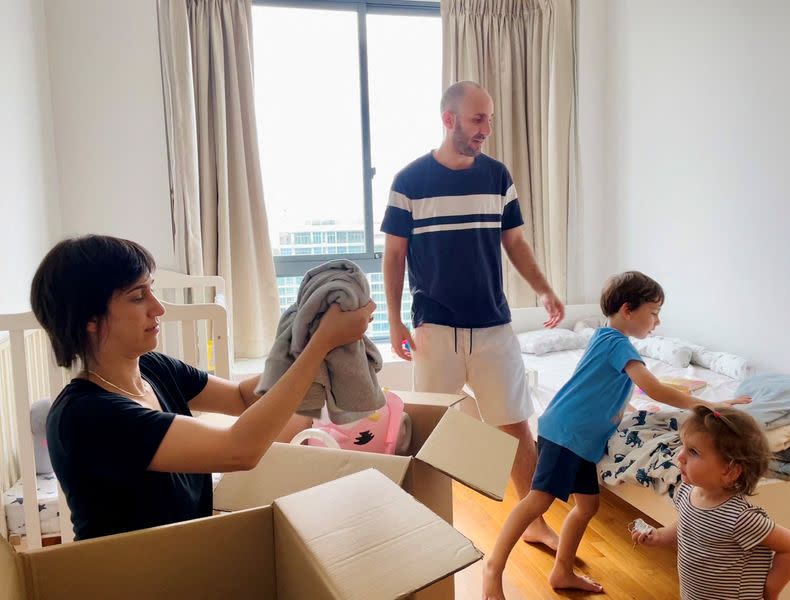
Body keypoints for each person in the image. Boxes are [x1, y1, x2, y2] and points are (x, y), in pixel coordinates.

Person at [30, 235, 375, 540]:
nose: (158, 308)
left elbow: (242, 398)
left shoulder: (153, 368)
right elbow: (239, 450)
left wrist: (309, 338)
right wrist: (321, 346)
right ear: (89, 318)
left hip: (180, 564)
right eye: (138, 297)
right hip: (127, 580)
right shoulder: (87, 416)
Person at [482, 271, 751, 598]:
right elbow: (655, 388)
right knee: (538, 501)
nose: (657, 322)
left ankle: (562, 571)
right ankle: (493, 568)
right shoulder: (616, 343)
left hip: (580, 439)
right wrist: (710, 405)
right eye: (653, 313)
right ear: (628, 310)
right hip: (568, 432)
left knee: (588, 506)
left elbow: (612, 391)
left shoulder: (604, 338)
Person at [381, 80, 565, 550]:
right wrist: (397, 320)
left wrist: (544, 290)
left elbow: (516, 243)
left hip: (493, 325)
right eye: (478, 119)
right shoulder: (409, 181)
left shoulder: (497, 176)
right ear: (449, 120)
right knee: (429, 424)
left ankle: (533, 522)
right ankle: (425, 521)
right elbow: (395, 255)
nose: (487, 129)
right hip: (435, 326)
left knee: (516, 422)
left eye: (490, 118)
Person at [632, 405, 790, 600]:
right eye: (683, 445)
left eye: (693, 452)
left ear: (730, 471)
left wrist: (770, 592)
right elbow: (688, 525)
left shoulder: (741, 518)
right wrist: (660, 536)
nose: (680, 456)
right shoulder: (686, 491)